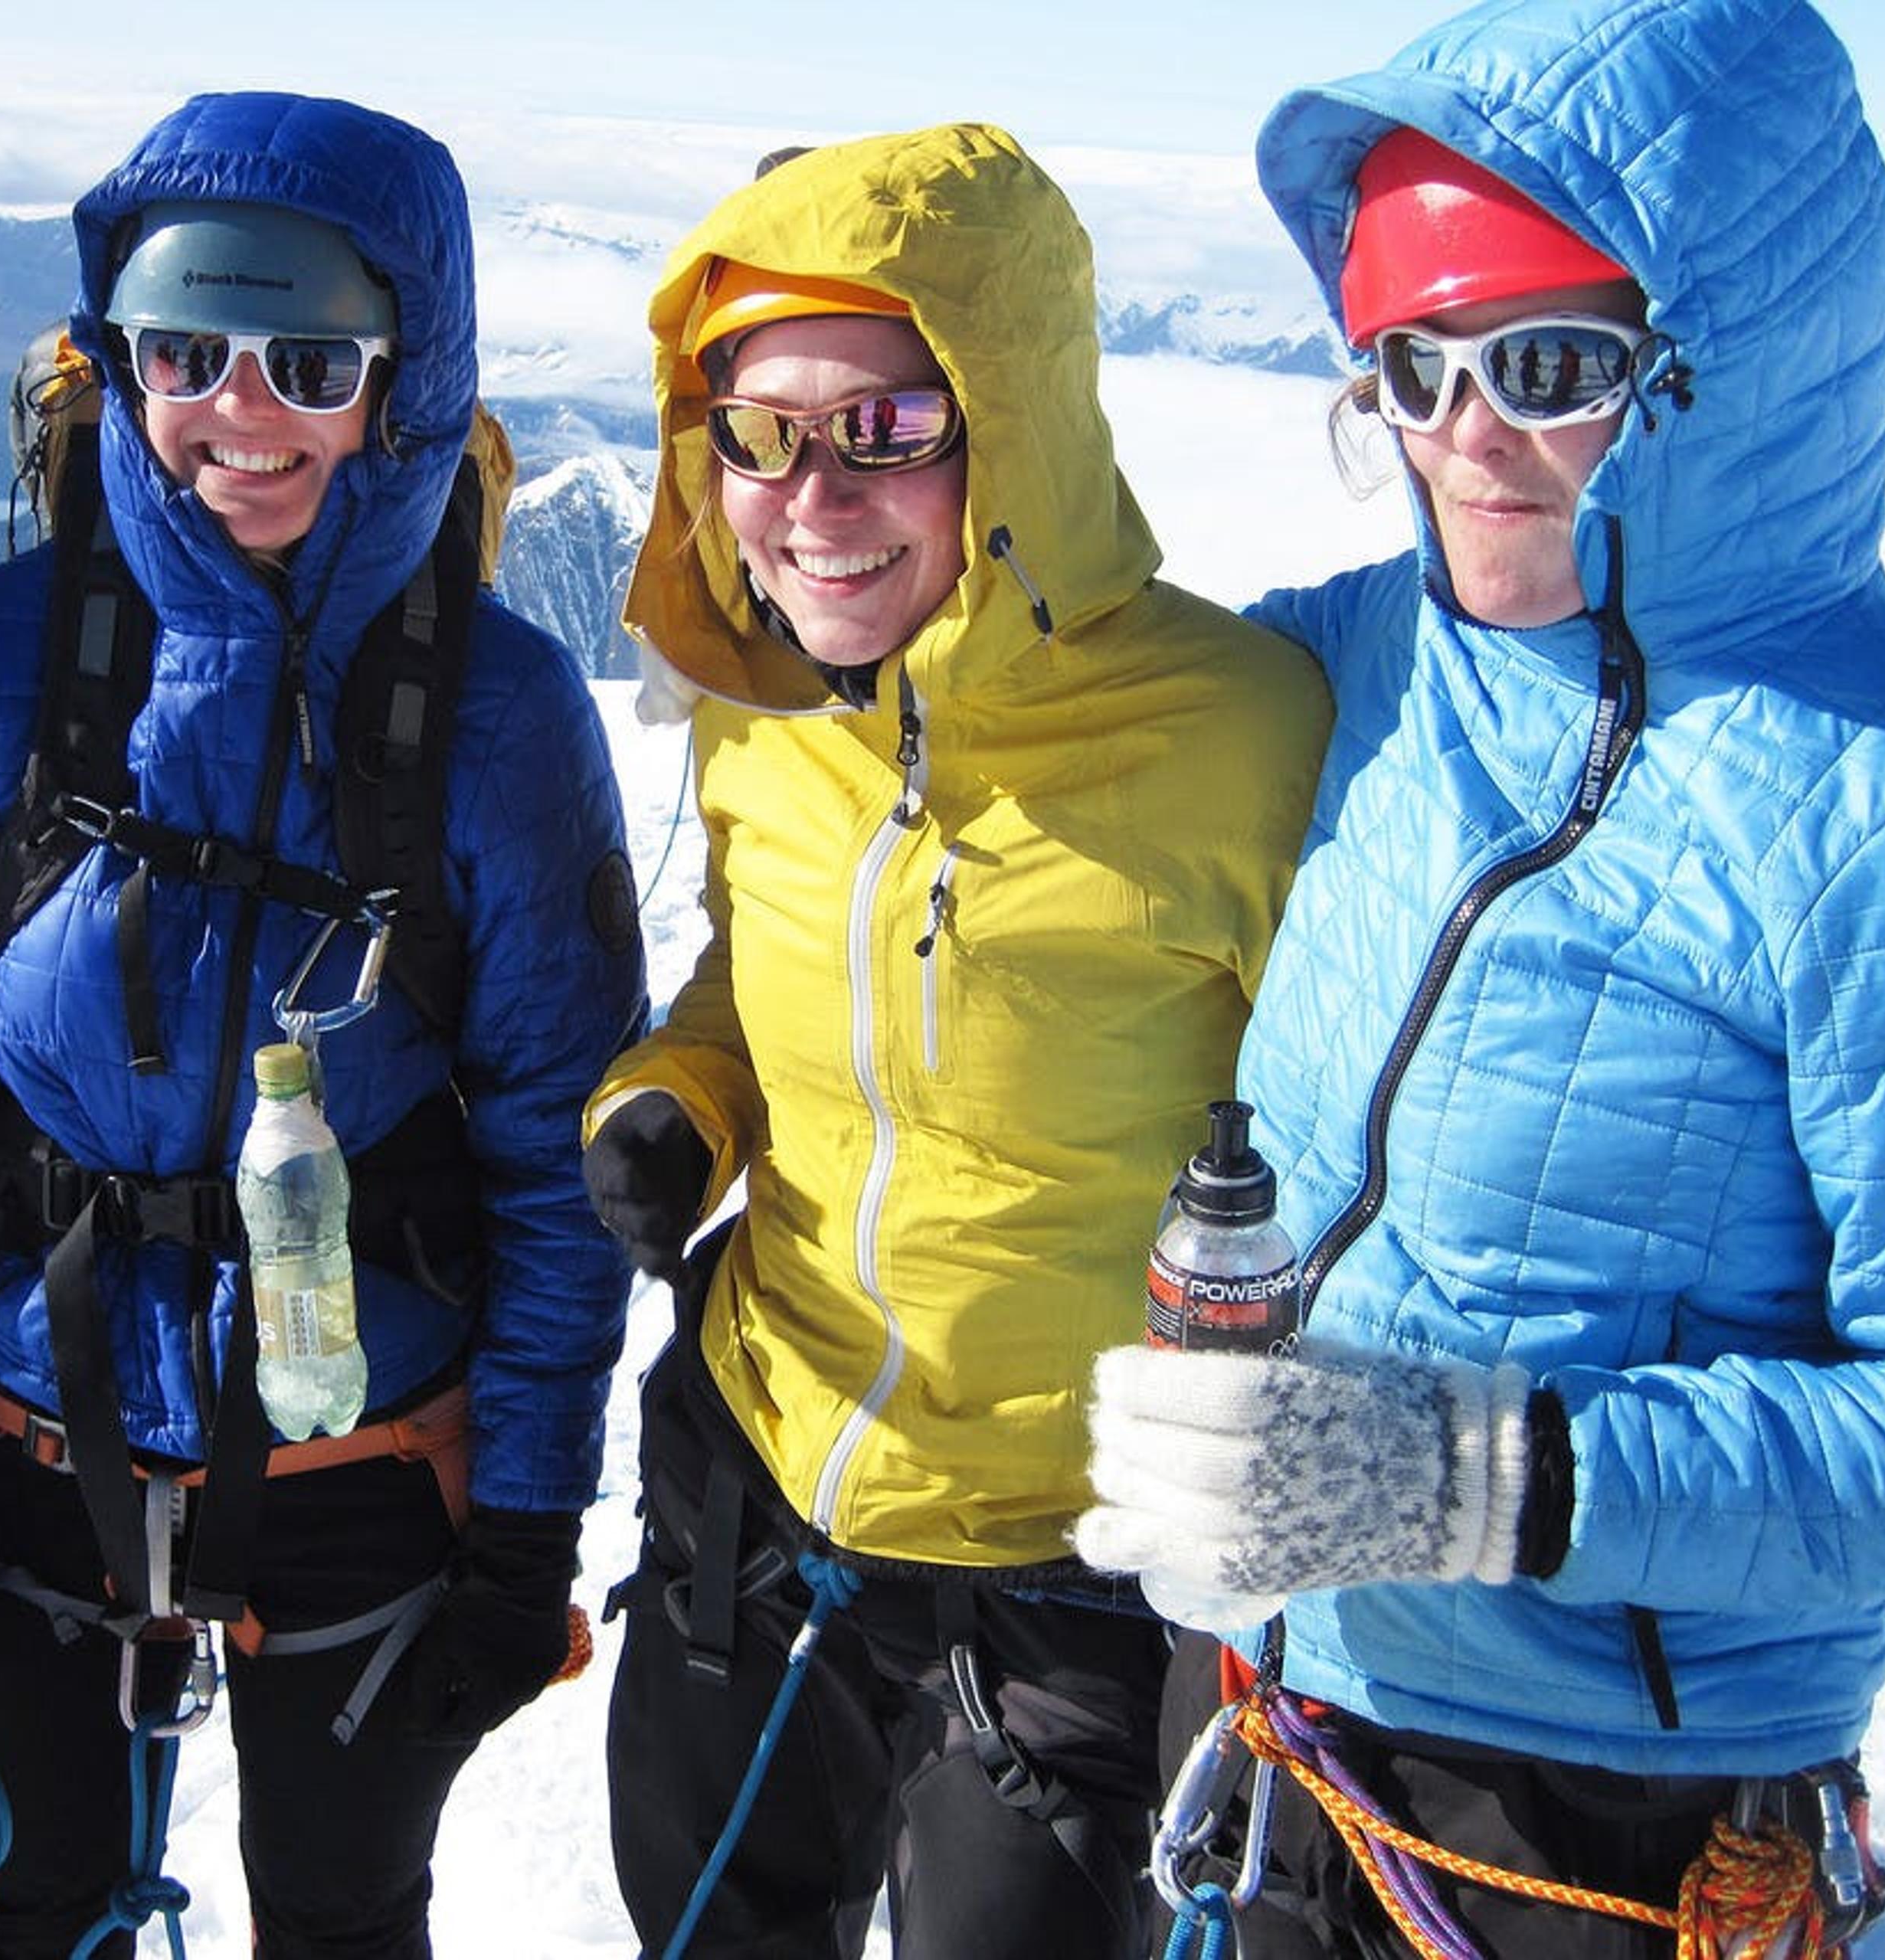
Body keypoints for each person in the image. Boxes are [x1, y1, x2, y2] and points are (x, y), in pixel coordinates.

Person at [1074, 1, 1885, 1953]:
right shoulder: (1369, 667)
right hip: (1277, 1697)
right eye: (1408, 365)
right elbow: (1067, 689)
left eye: (1548, 364)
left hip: (1617, 1817)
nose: (1463, 438)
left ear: (1733, 365)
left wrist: (1481, 1477)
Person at [0, 91, 646, 1960]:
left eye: (310, 360)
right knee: (37, 1907)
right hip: (23, 1429)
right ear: (119, 359)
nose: (238, 412)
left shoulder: (497, 715)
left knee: (343, 1918)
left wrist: (526, 1522)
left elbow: (559, 1154)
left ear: (400, 383)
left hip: (368, 1464)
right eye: (185, 351)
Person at [580, 125, 1330, 1956]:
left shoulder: (1239, 739)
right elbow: (756, 976)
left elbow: (1358, 1134)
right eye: (760, 432)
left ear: (1016, 429)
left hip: (1073, 1571)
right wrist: (685, 1096)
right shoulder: (760, 714)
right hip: (757, 1495)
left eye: (888, 429)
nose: (811, 498)